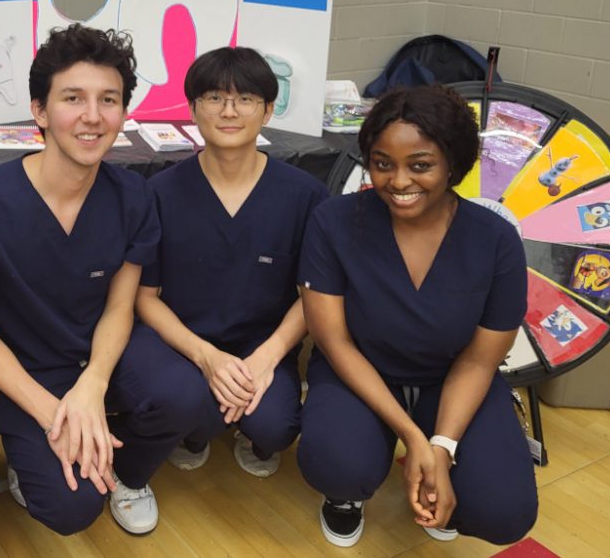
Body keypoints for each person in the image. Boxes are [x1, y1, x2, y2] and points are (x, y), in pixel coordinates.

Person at [0, 24, 205, 536]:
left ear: (124, 112)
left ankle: (126, 471)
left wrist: (92, 386)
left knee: (184, 393)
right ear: (40, 110)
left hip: (105, 354)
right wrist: (57, 415)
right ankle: (50, 458)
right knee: (69, 510)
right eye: (73, 98)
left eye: (109, 100)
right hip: (28, 371)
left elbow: (121, 308)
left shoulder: (132, 196)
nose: (92, 116)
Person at [297, 85, 538, 547]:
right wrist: (414, 438)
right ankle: (347, 496)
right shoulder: (334, 222)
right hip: (360, 373)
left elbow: (479, 361)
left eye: (420, 165)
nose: (399, 181)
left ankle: (447, 482)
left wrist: (442, 449)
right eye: (382, 163)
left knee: (504, 512)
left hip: (451, 378)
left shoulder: (495, 240)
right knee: (338, 463)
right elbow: (334, 342)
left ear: (454, 163)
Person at [135, 47, 327, 477]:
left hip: (261, 346)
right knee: (191, 408)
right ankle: (198, 425)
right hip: (185, 345)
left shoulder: (303, 195)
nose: (229, 111)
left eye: (245, 99)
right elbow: (145, 298)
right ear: (192, 108)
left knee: (276, 427)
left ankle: (248, 427)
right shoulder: (160, 193)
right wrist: (205, 358)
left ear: (269, 110)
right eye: (214, 98)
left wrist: (266, 358)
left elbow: (314, 295)